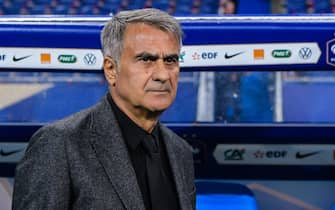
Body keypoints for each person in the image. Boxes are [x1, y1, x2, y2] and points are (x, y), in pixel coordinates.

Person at [12, 8, 195, 210]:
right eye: (146, 59)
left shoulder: (180, 152)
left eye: (170, 60)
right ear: (111, 70)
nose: (162, 74)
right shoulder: (59, 144)